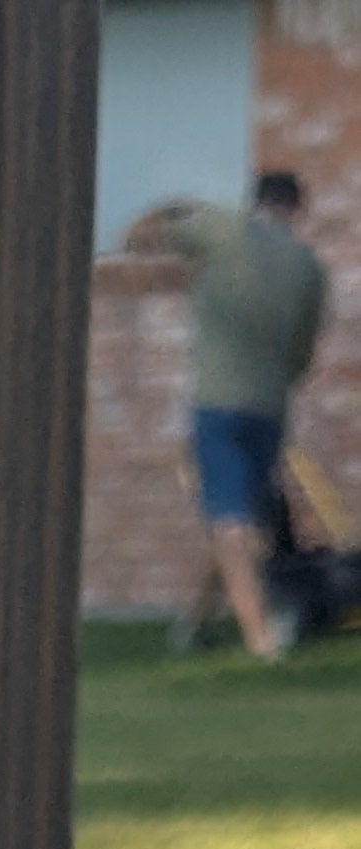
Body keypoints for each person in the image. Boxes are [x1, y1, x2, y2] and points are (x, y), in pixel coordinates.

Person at [130, 170, 328, 658]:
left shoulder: (222, 227)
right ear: (297, 211)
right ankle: (196, 625)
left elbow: (139, 239)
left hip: (218, 401)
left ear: (254, 200)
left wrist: (174, 205)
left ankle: (260, 638)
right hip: (270, 406)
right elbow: (302, 358)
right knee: (240, 513)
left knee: (228, 519)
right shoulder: (309, 266)